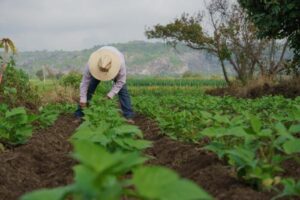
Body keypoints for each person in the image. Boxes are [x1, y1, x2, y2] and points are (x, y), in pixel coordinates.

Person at [74, 46, 134, 123]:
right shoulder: (91, 65)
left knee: (123, 91)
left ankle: (128, 116)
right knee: (89, 88)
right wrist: (83, 99)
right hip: (97, 70)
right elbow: (85, 82)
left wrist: (110, 95)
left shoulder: (120, 63)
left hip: (114, 71)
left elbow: (121, 81)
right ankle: (80, 115)